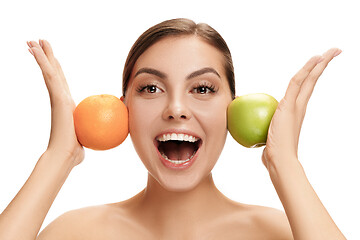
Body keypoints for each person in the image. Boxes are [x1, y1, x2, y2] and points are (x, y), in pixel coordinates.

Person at [0, 18, 346, 239]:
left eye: (203, 89)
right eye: (151, 88)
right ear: (123, 111)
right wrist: (58, 157)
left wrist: (285, 164)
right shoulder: (74, 233)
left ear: (233, 109)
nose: (177, 109)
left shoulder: (285, 232)